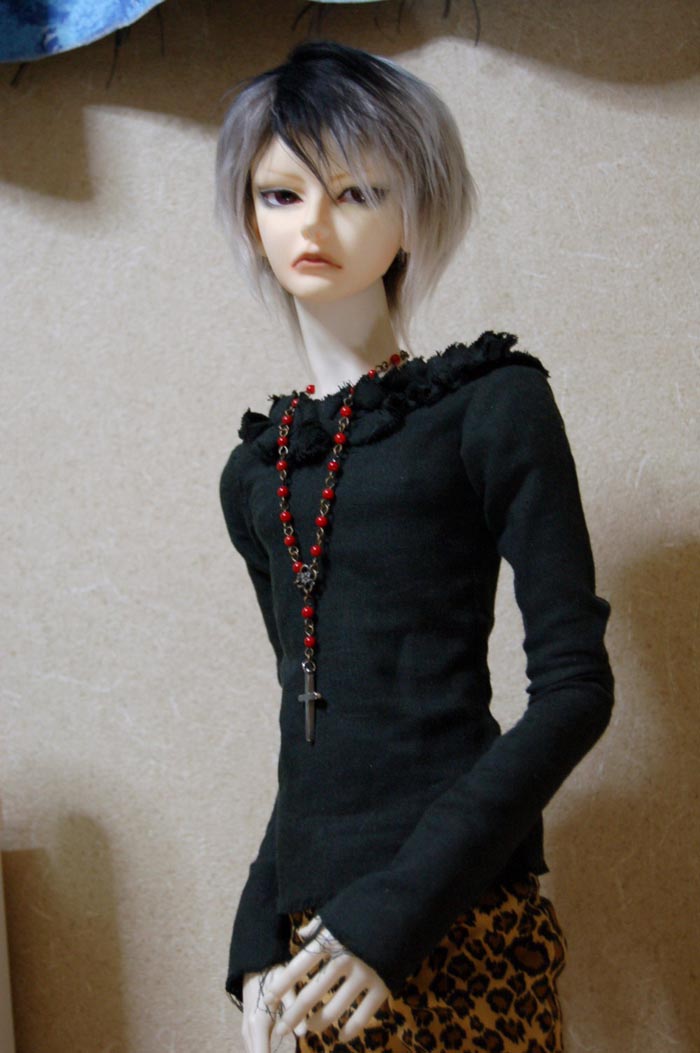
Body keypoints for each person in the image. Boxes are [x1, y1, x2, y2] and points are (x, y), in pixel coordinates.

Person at [215, 39, 614, 1053]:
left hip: (462, 917)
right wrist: (257, 932)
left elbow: (575, 688)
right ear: (250, 216)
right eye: (280, 194)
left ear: (412, 210)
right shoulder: (256, 474)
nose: (312, 224)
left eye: (355, 191)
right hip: (313, 952)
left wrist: (399, 910)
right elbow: (310, 729)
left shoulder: (490, 405)